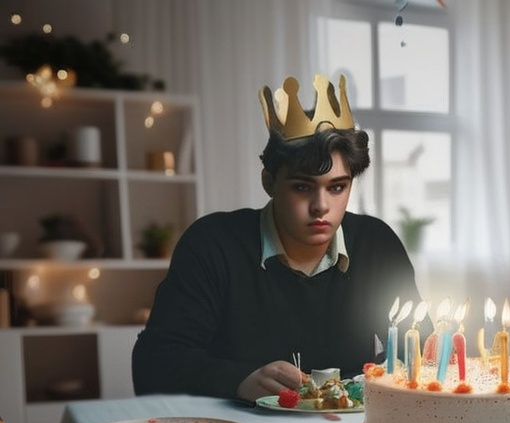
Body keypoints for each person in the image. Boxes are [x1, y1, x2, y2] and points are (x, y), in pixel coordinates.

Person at [132, 74, 427, 401]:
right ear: (269, 182)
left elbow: (426, 351)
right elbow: (152, 366)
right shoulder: (211, 244)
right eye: (302, 187)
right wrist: (238, 380)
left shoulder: (376, 244)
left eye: (337, 187)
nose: (321, 206)